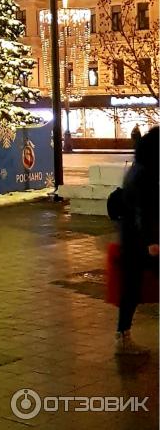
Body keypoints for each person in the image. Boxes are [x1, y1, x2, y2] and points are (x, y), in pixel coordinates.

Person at [115, 126, 159, 354]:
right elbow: (144, 208)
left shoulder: (139, 167)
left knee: (131, 288)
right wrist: (151, 240)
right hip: (142, 242)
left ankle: (123, 336)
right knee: (132, 288)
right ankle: (123, 337)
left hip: (134, 238)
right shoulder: (147, 172)